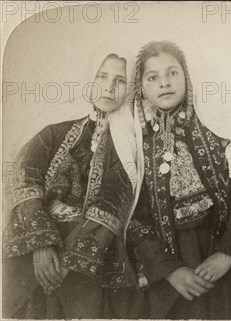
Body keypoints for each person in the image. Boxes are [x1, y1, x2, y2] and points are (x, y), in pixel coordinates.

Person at [125, 40, 231, 319]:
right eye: (153, 77)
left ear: (187, 76)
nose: (164, 83)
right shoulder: (135, 143)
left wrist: (228, 253)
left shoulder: (221, 125)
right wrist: (170, 270)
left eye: (173, 73)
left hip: (226, 252)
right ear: (142, 86)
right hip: (172, 262)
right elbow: (132, 217)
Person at [2, 46, 143, 319]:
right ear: (89, 78)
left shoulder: (128, 147)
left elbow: (113, 201)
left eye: (120, 81)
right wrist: (40, 245)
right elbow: (23, 179)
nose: (109, 87)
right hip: (36, 241)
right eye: (102, 76)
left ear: (131, 89)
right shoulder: (53, 131)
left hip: (90, 249)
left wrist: (70, 258)